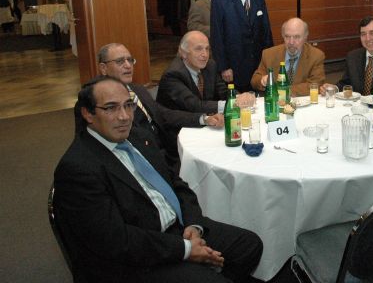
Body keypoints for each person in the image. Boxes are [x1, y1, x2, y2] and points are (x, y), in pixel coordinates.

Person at [55, 76, 263, 283]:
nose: (124, 116)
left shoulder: (138, 137)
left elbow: (176, 184)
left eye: (128, 105)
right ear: (88, 114)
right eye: (111, 108)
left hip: (177, 229)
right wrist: (185, 249)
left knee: (249, 245)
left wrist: (194, 226)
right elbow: (115, 240)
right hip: (133, 260)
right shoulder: (78, 168)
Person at [74, 43, 217, 168]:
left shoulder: (137, 89)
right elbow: (90, 145)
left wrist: (203, 118)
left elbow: (163, 114)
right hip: (139, 161)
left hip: (165, 149)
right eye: (120, 61)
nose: (128, 65)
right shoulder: (92, 98)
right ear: (103, 68)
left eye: (130, 60)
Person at [210, 0, 274, 92]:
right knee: (239, 102)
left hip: (258, 66)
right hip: (234, 68)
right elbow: (217, 35)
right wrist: (223, 67)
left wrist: (269, 62)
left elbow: (266, 31)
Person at [157, 31, 254, 116]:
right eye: (198, 49)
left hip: (205, 120)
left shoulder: (210, 66)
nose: (205, 54)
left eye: (207, 49)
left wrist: (240, 97)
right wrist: (233, 104)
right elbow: (195, 106)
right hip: (180, 126)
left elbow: (223, 91)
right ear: (183, 53)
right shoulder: (173, 75)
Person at [251, 17, 325, 96]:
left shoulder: (316, 56)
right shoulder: (269, 54)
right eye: (287, 36)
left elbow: (316, 84)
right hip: (276, 102)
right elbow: (254, 80)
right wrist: (262, 80)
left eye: (296, 37)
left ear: (305, 37)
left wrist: (284, 91)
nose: (291, 42)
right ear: (283, 36)